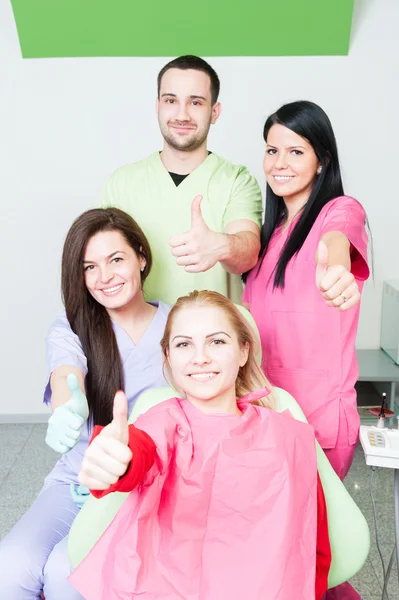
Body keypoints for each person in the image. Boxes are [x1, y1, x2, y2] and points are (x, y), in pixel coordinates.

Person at [69, 290, 331, 600]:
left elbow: (312, 547)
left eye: (217, 341)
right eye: (183, 344)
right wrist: (113, 460)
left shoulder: (288, 436)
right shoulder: (162, 422)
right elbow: (137, 451)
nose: (200, 357)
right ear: (168, 356)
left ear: (244, 351)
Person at [0, 208, 170, 599]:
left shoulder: (178, 325)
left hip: (143, 488)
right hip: (75, 482)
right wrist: (69, 404)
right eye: (90, 266)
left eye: (116, 260)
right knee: (10, 568)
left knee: (66, 573)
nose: (104, 277)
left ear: (141, 258)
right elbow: (66, 370)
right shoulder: (72, 324)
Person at [242, 101, 369, 600]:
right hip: (270, 412)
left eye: (296, 150)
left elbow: (336, 243)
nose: (279, 163)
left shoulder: (339, 210)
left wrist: (336, 268)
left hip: (318, 418)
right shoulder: (269, 237)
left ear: (323, 159)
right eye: (272, 150)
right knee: (295, 548)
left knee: (302, 553)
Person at [102, 55, 263, 306]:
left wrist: (222, 245)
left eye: (196, 102)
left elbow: (248, 252)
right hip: (139, 341)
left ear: (215, 112)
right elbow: (103, 265)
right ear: (157, 105)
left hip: (213, 339)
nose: (182, 114)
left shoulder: (236, 180)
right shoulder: (120, 183)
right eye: (171, 100)